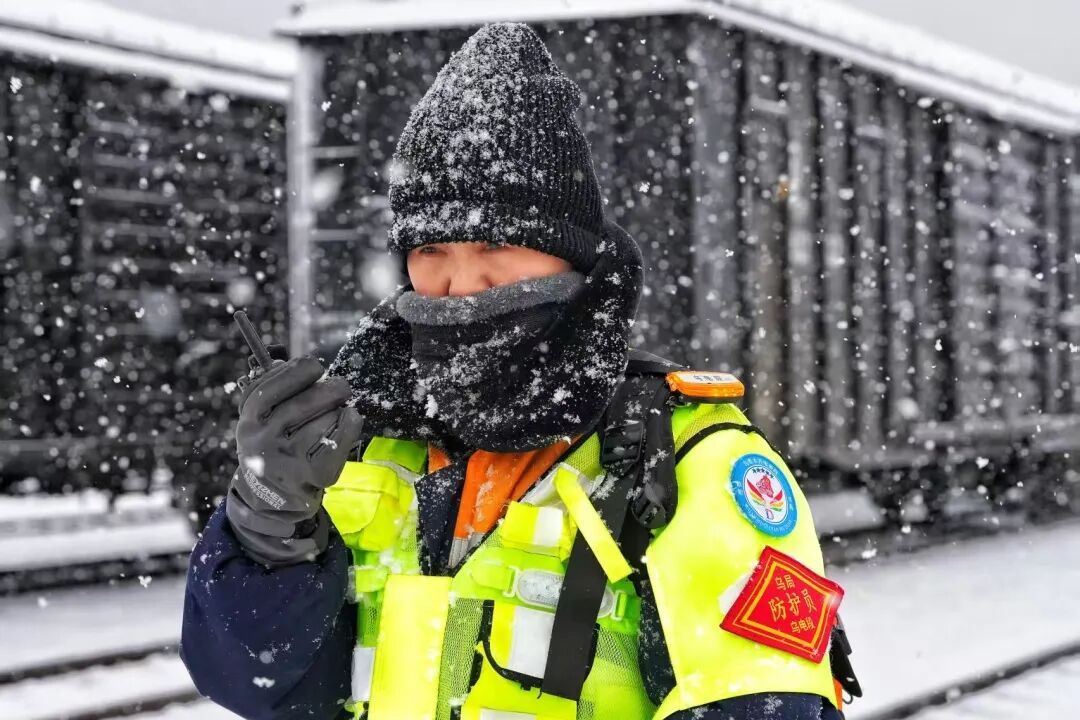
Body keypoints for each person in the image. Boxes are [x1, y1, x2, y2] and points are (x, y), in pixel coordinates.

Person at [181, 22, 851, 720]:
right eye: (431, 246)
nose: (462, 281)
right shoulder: (360, 441)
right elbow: (257, 686)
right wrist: (267, 522)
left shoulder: (685, 459)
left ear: (572, 256)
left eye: (498, 241)